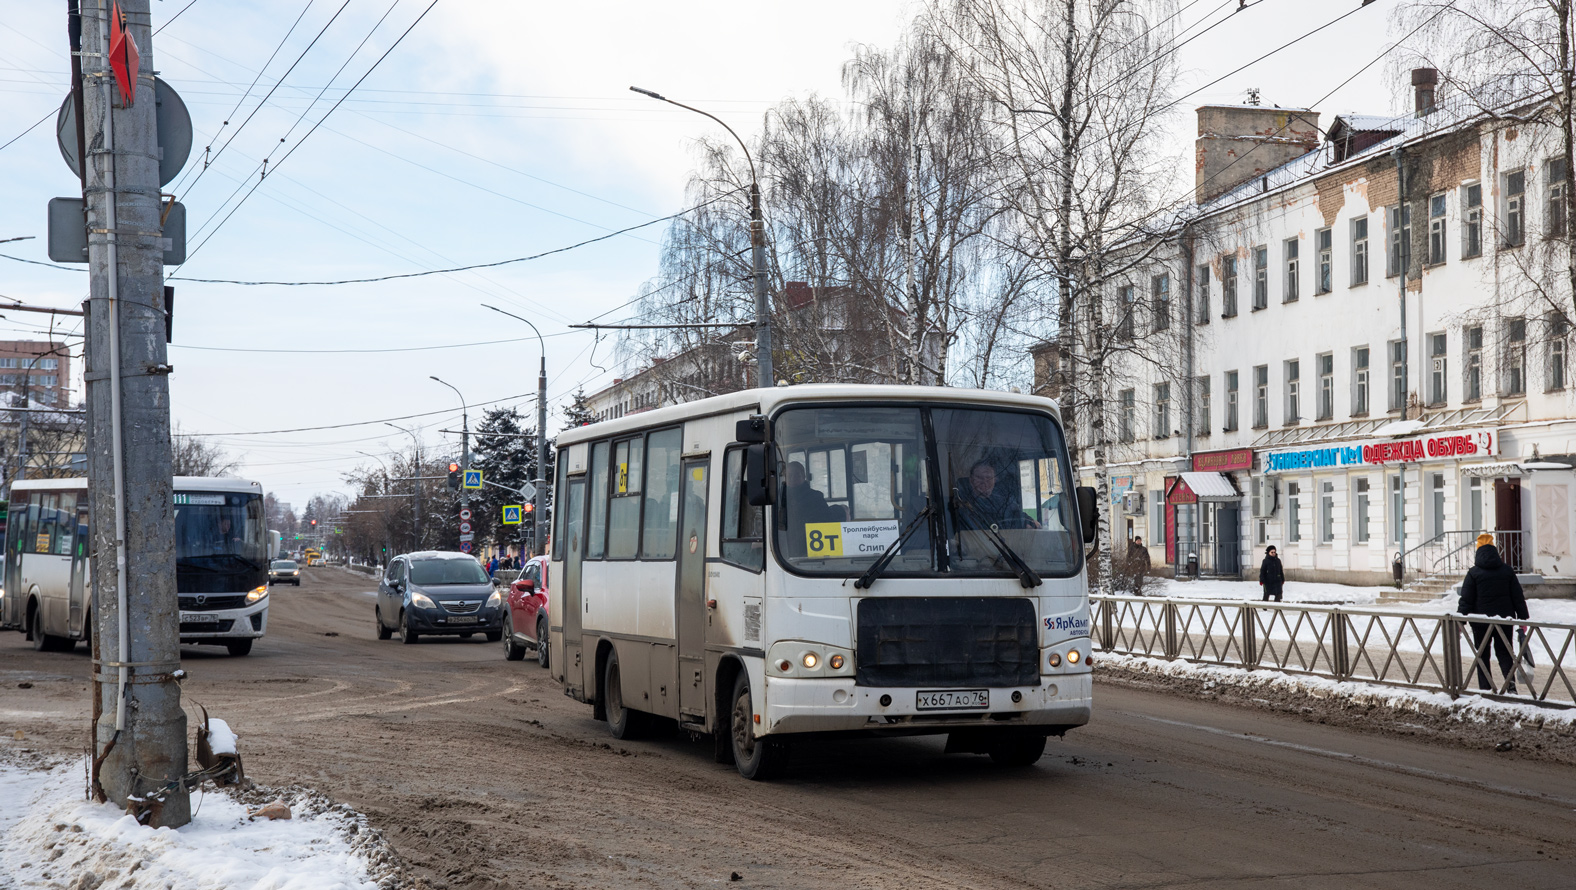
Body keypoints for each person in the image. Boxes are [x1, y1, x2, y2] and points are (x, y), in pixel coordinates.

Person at [1458, 534, 1529, 693]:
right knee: (1505, 653)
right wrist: (1522, 619)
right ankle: (1510, 686)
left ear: (1478, 552)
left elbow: (1466, 600)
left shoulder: (1473, 573)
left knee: (1482, 655)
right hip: (1504, 620)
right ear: (1495, 551)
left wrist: (1460, 621)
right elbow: (1517, 597)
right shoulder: (1507, 571)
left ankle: (1485, 688)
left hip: (1479, 622)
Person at [955, 461, 1040, 530]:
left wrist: (1030, 522)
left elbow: (1017, 515)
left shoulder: (1005, 501)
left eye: (988, 478)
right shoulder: (963, 504)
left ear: (995, 480)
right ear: (971, 480)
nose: (984, 482)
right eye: (979, 477)